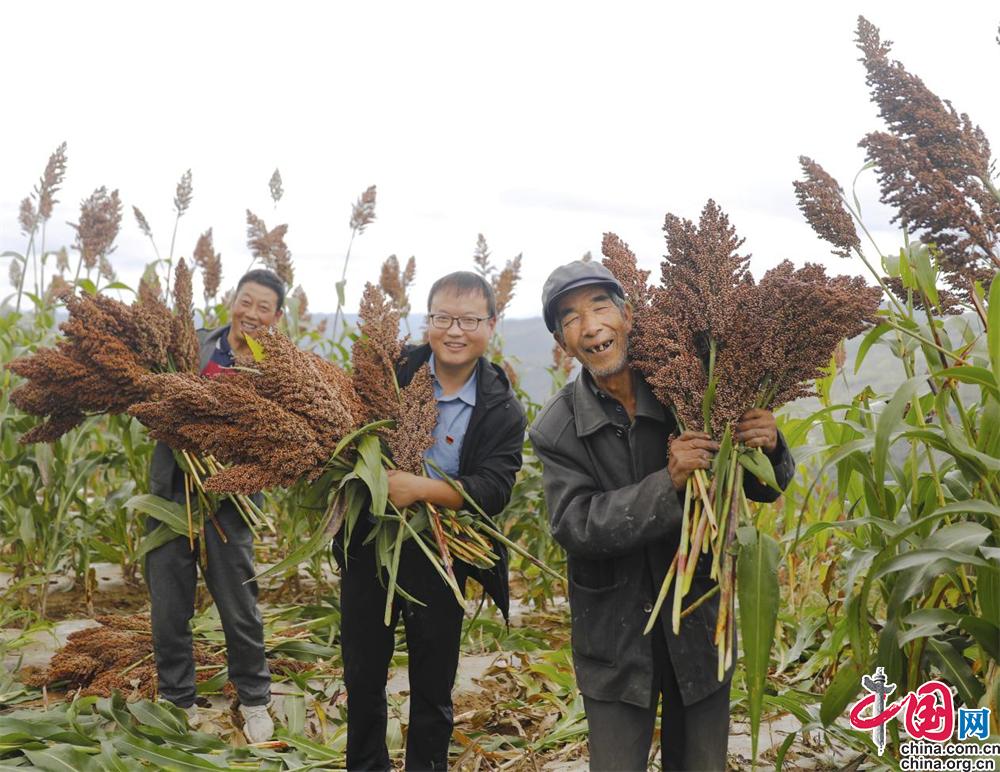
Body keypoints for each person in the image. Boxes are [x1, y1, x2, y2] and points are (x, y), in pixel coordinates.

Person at [528, 261, 795, 771]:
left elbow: (764, 485)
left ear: (628, 316)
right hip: (614, 634)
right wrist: (667, 484)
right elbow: (575, 525)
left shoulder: (691, 387)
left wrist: (770, 443)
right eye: (570, 318)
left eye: (600, 306)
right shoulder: (558, 427)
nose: (590, 326)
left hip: (698, 618)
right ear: (562, 344)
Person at [333, 271, 526, 771]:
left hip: (443, 559)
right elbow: (342, 432)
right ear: (427, 321)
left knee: (434, 689)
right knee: (363, 678)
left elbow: (494, 489)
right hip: (370, 544)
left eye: (468, 320)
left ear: (491, 324)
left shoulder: (502, 407)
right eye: (442, 318)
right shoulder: (390, 372)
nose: (455, 331)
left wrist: (419, 489)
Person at [146, 268, 285, 743]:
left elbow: (279, 438)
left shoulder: (278, 371)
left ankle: (254, 699)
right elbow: (150, 395)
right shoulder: (193, 346)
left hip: (230, 501)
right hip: (170, 495)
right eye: (245, 301)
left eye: (262, 307)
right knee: (169, 604)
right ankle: (177, 700)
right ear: (232, 301)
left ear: (277, 317)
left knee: (238, 604)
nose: (250, 313)